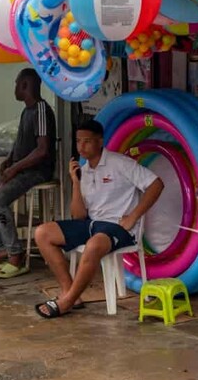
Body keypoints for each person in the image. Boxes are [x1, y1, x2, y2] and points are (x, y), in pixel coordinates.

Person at [33, 120, 164, 318]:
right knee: (42, 233)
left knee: (94, 245)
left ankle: (66, 302)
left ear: (100, 141)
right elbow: (79, 216)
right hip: (92, 224)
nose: (81, 147)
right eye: (78, 141)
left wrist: (134, 216)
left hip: (119, 227)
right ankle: (70, 293)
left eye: (87, 141)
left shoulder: (120, 163)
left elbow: (156, 184)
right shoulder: (84, 171)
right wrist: (75, 182)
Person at [0, 68, 56, 279]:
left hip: (36, 172)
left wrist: (14, 168)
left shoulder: (41, 110)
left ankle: (16, 255)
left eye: (17, 84)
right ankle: (0, 248)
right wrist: (10, 160)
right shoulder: (26, 111)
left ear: (25, 85)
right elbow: (21, 142)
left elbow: (42, 150)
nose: (15, 89)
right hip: (20, 169)